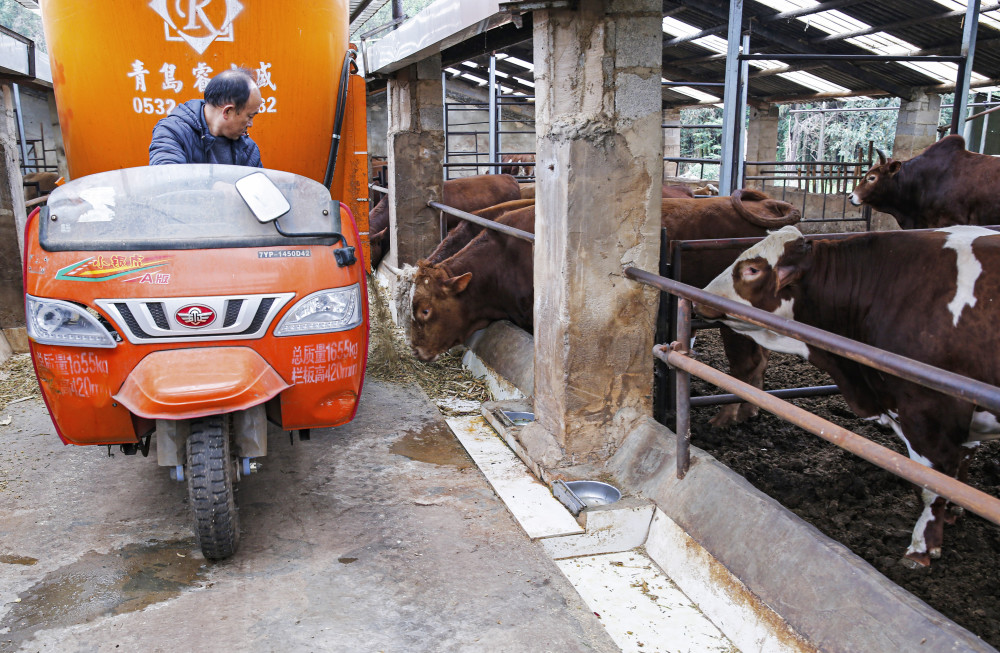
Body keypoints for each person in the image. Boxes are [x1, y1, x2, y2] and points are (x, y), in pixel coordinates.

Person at [149, 67, 263, 167]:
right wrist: (214, 186)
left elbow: (255, 187)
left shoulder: (247, 148)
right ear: (227, 111)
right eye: (249, 116)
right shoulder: (173, 132)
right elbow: (167, 176)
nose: (250, 124)